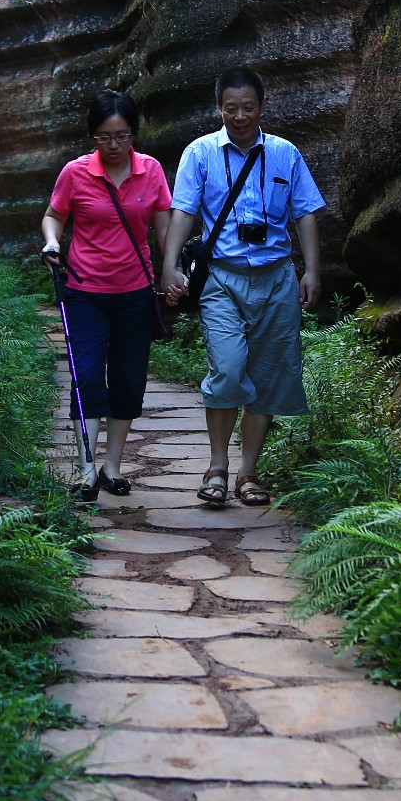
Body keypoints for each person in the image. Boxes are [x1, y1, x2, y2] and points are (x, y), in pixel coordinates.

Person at [161, 66, 324, 506]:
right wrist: (170, 264)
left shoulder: (286, 154)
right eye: (230, 108)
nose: (239, 116)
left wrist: (311, 270)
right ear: (218, 108)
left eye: (247, 107)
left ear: (262, 107)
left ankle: (248, 474)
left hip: (276, 279)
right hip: (222, 279)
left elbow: (305, 212)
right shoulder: (200, 153)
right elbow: (183, 212)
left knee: (267, 378)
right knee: (229, 369)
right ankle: (217, 465)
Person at [42, 90, 173, 499]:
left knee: (128, 380)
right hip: (84, 291)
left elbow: (165, 228)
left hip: (135, 291)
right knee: (86, 379)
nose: (114, 146)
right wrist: (52, 243)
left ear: (134, 133)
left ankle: (111, 468)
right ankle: (85, 469)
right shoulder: (75, 173)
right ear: (92, 136)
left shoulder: (150, 171)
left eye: (122, 136)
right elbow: (53, 216)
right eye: (104, 137)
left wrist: (172, 271)